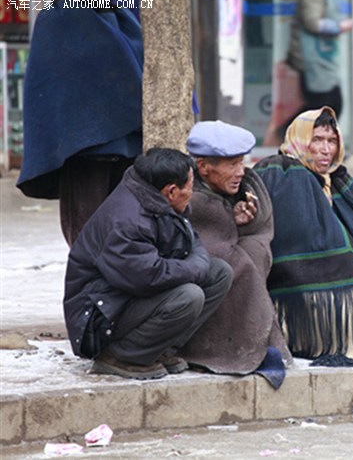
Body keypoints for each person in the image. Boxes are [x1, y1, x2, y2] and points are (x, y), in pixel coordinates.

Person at [253, 107, 353, 367]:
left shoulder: (336, 180)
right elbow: (297, 234)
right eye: (316, 140)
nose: (325, 149)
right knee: (349, 271)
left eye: (331, 141)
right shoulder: (282, 173)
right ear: (300, 141)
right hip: (292, 273)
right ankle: (321, 338)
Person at [63, 149, 234, 380]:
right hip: (98, 315)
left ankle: (161, 350)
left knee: (220, 273)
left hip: (127, 295)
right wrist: (195, 267)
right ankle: (120, 356)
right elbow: (148, 277)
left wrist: (198, 265)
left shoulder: (156, 197)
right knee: (189, 296)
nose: (192, 194)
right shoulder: (128, 221)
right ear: (171, 191)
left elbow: (192, 241)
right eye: (190, 188)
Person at [17, 0, 143, 246]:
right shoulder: (63, 18)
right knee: (97, 237)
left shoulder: (118, 16)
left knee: (105, 236)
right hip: (93, 153)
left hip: (110, 152)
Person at [180, 121, 293, 389]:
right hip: (190, 287)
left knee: (251, 251)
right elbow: (208, 239)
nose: (240, 172)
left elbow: (257, 231)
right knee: (235, 264)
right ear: (204, 167)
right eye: (231, 164)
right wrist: (227, 222)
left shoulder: (244, 189)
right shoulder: (188, 196)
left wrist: (240, 223)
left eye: (241, 162)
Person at [275, 0, 353, 141]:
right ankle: (287, 133)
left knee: (325, 104)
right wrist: (339, 26)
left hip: (320, 58)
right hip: (313, 60)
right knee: (325, 104)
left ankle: (301, 138)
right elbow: (312, 23)